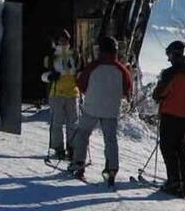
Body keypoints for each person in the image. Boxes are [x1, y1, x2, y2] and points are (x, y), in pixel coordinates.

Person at [69, 36, 132, 185]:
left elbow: (81, 84)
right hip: (111, 109)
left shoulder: (93, 66)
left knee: (82, 134)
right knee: (110, 139)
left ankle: (78, 164)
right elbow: (127, 90)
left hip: (92, 107)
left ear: (101, 50)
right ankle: (111, 169)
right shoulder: (121, 69)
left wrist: (88, 92)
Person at [153, 40, 185, 197]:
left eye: (169, 54)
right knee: (180, 147)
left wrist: (158, 94)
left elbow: (159, 93)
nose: (168, 58)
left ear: (173, 54)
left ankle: (174, 182)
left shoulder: (171, 73)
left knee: (167, 147)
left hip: (170, 114)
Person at [42, 29, 79, 160]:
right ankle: (58, 149)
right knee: (56, 123)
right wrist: (50, 76)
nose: (63, 41)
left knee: (73, 123)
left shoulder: (75, 55)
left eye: (66, 39)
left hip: (72, 93)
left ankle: (72, 148)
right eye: (61, 39)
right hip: (57, 93)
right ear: (57, 41)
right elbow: (43, 75)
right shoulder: (51, 56)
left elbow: (80, 71)